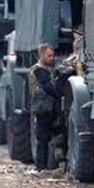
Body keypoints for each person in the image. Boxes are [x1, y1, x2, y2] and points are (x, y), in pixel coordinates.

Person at [28, 43, 62, 171]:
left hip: (49, 108)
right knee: (43, 139)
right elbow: (48, 87)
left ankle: (50, 166)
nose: (52, 58)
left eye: (53, 56)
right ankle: (41, 167)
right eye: (49, 56)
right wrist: (60, 94)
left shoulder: (47, 69)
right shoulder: (38, 70)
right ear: (41, 55)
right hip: (43, 109)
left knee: (54, 137)